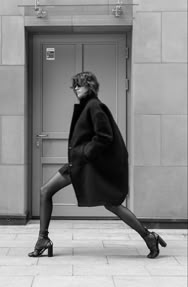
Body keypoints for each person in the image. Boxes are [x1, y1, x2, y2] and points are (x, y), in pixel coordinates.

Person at [28, 71, 167, 259]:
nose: (76, 87)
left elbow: (104, 137)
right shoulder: (88, 106)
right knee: (47, 191)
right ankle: (42, 238)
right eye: (74, 85)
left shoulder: (94, 106)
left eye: (80, 84)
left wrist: (85, 153)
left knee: (112, 204)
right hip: (79, 163)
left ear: (90, 86)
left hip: (85, 164)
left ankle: (149, 236)